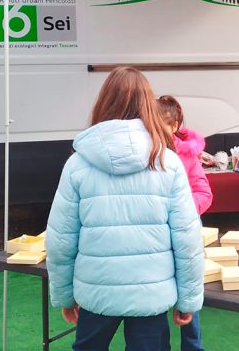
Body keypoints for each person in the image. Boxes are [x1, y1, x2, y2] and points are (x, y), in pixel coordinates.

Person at [46, 67, 204, 351]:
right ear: (148, 105)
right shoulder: (168, 162)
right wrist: (188, 299)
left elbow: (60, 240)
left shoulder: (77, 164)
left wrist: (65, 295)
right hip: (151, 294)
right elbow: (187, 240)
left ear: (103, 102)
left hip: (96, 292)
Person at [156, 94, 212, 351]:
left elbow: (204, 193)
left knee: (188, 295)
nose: (157, 131)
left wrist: (183, 209)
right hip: (156, 238)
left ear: (176, 125)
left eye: (163, 125)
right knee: (156, 298)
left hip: (185, 234)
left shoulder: (188, 155)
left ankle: (192, 346)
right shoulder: (147, 154)